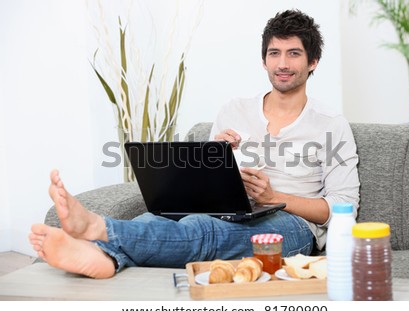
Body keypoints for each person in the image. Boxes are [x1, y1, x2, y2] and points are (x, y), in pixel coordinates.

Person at [29, 9, 360, 279]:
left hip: (293, 227)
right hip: (230, 210)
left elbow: (342, 209)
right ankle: (105, 259)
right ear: (264, 60)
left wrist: (275, 198)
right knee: (157, 220)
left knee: (202, 229)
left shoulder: (330, 124)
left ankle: (96, 230)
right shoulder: (234, 110)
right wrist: (214, 159)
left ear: (312, 62)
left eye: (294, 54)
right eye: (274, 53)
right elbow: (205, 187)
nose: (283, 64)